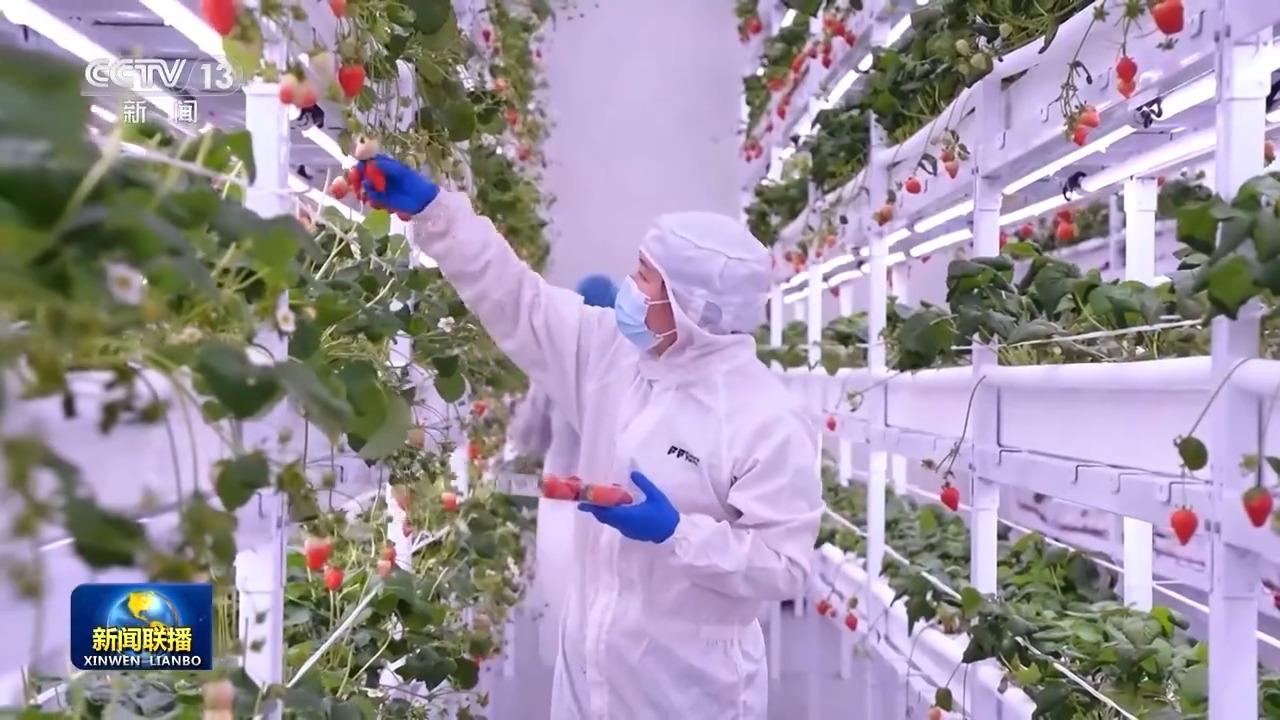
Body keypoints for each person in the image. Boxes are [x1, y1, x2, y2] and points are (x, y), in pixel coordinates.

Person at [357, 155, 823, 719]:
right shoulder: (611, 354)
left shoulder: (763, 418)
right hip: (589, 669)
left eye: (645, 276)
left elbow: (785, 564)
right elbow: (519, 299)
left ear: (692, 306)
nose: (630, 287)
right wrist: (437, 214)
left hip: (689, 687)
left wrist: (678, 534)